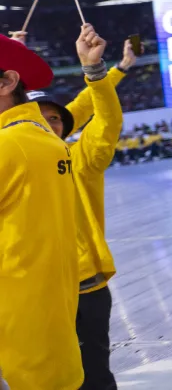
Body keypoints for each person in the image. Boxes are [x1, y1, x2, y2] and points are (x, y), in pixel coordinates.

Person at [27, 25, 124, 390]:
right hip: (32, 286)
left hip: (83, 284)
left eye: (55, 118)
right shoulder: (11, 160)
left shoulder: (80, 158)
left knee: (93, 374)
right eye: (40, 118)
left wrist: (96, 70)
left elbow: (107, 121)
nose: (49, 123)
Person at [0, 35, 83, 390]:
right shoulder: (43, 139)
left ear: (7, 82)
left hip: (14, 340)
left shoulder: (8, 144)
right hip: (47, 331)